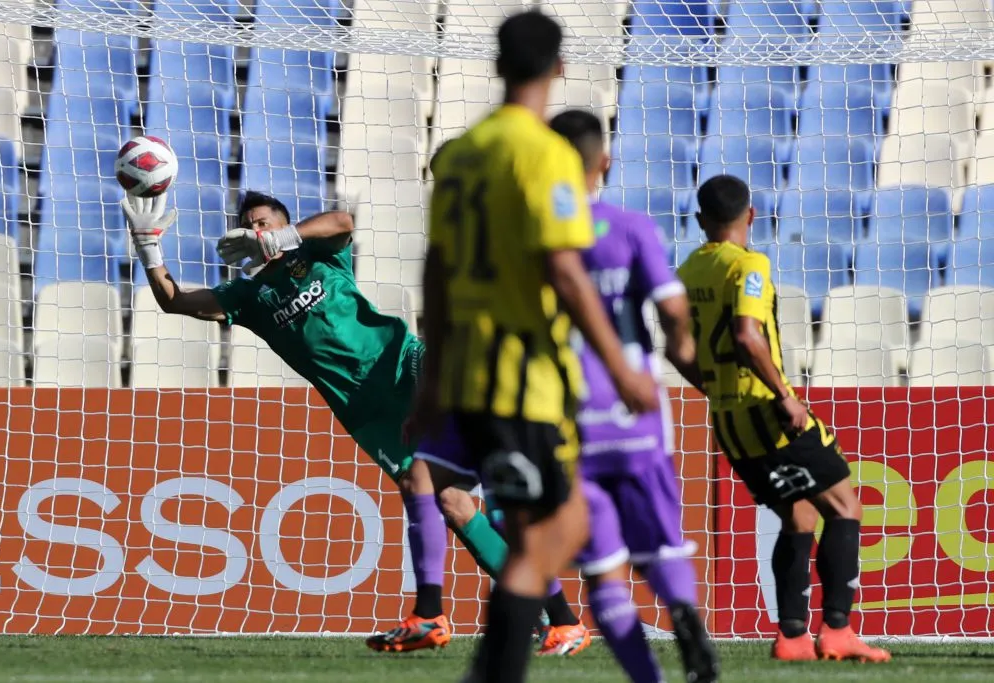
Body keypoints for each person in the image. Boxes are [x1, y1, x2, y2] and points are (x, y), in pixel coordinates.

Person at [118, 190, 584, 655]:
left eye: (264, 222)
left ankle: (515, 611)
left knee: (487, 474)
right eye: (250, 225)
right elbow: (174, 301)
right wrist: (148, 247)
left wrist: (283, 237)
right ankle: (549, 618)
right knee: (451, 503)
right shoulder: (248, 297)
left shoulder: (317, 255)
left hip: (404, 366)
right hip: (364, 413)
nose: (256, 231)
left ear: (282, 225)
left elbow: (342, 220)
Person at [410, 10, 658, 683]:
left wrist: (432, 378)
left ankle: (502, 663)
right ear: (560, 68)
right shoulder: (546, 153)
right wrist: (620, 366)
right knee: (546, 534)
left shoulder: (458, 157)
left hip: (465, 375)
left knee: (538, 530)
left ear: (496, 64)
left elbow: (435, 268)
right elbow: (566, 270)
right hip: (524, 380)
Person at [674, 175, 891, 664]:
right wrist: (785, 396)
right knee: (845, 507)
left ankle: (793, 637)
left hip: (727, 420)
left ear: (700, 221)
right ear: (751, 215)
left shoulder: (688, 270)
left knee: (798, 514)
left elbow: (676, 345)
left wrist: (711, 385)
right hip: (767, 412)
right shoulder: (750, 264)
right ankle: (837, 629)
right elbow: (748, 335)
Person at [548, 109, 720, 683]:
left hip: (564, 414)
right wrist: (680, 356)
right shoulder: (630, 227)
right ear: (605, 162)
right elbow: (673, 311)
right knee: (663, 542)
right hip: (634, 405)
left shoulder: (529, 237)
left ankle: (648, 678)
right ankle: (686, 616)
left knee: (602, 570)